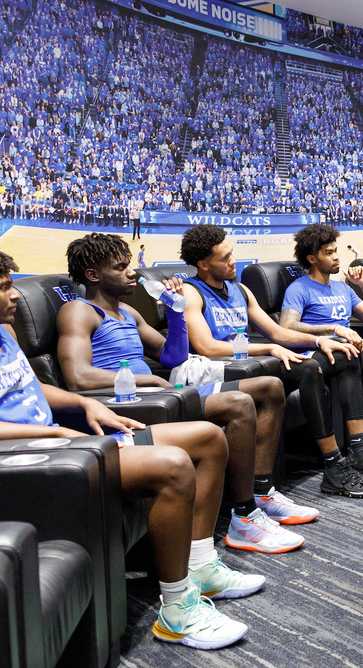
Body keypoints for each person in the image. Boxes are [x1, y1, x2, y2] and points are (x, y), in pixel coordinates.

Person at [0, 248, 254, 650]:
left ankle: (201, 568)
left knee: (207, 438)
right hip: (33, 460)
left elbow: (29, 387)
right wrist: (50, 436)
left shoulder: (1, 334)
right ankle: (178, 611)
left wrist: (83, 403)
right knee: (174, 465)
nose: (16, 296)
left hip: (64, 445)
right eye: (4, 287)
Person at [58, 233, 314, 555]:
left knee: (269, 388)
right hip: (132, 403)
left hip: (162, 395)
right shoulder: (78, 312)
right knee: (238, 404)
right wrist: (146, 381)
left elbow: (173, 358)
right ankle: (244, 516)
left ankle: (262, 492)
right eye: (121, 267)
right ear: (93, 275)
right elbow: (78, 377)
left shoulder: (128, 312)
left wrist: (176, 312)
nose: (132, 272)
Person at [177, 224, 363, 498]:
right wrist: (270, 349)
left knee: (335, 356)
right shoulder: (190, 292)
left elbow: (278, 332)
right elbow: (206, 347)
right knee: (309, 366)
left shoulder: (240, 290)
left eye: (232, 254)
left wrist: (321, 340)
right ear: (203, 265)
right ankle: (334, 466)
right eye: (225, 258)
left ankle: (345, 459)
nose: (234, 262)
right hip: (217, 372)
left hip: (252, 365)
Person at [279, 223, 363, 369]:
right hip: (320, 350)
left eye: (336, 251)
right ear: (312, 259)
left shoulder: (342, 287)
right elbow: (286, 326)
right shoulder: (299, 288)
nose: (336, 257)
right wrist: (334, 328)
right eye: (329, 253)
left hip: (349, 346)